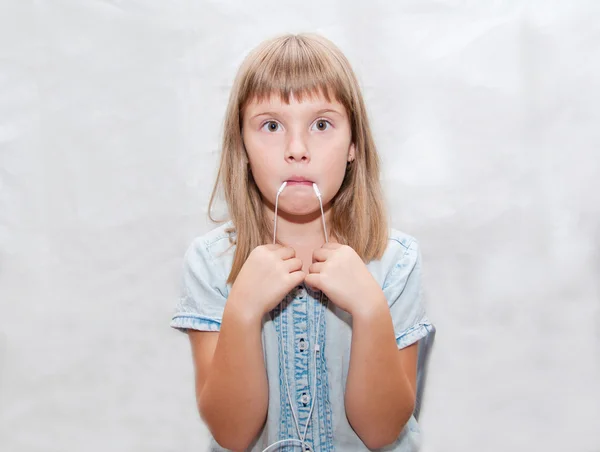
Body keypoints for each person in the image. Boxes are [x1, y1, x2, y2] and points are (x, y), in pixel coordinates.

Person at [170, 33, 434, 452]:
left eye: (321, 124)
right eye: (272, 126)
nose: (296, 149)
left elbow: (381, 431)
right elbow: (232, 434)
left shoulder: (395, 261)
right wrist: (241, 310)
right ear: (242, 146)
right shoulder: (211, 263)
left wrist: (369, 310)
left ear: (353, 145)